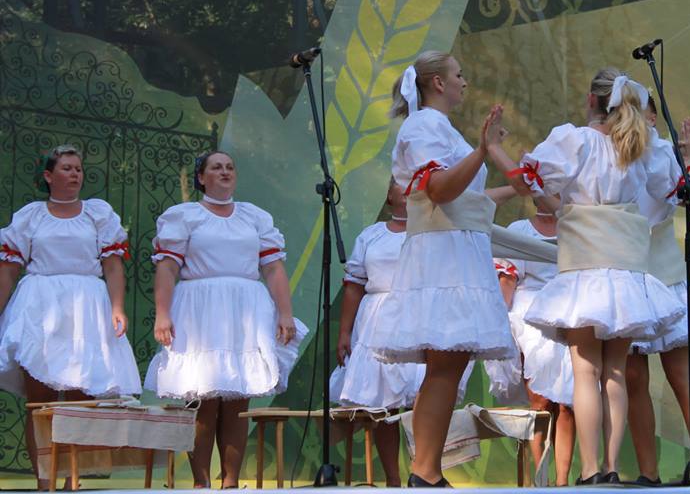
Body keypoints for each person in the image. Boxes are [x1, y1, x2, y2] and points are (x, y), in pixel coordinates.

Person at [485, 68, 690, 484]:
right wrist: (689, 159)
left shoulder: (575, 140)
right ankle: (612, 467)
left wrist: (495, 149)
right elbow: (677, 191)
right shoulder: (637, 145)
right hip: (624, 274)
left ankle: (590, 468)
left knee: (585, 371)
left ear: (590, 100)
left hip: (585, 271)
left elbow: (528, 184)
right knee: (614, 372)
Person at [367, 51, 515, 488]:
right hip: (443, 254)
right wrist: (482, 150)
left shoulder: (439, 127)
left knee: (450, 363)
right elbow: (440, 190)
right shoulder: (424, 126)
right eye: (459, 74)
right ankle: (424, 471)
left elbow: (466, 197)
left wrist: (511, 179)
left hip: (457, 248)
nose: (464, 82)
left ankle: (428, 469)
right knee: (445, 362)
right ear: (437, 82)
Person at [145, 151, 306, 489]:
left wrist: (285, 312)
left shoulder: (254, 217)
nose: (225, 172)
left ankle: (231, 483)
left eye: (230, 167)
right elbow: (168, 268)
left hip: (244, 311)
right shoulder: (185, 216)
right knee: (203, 399)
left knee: (237, 398)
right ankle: (201, 482)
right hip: (200, 311)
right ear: (201, 177)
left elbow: (273, 268)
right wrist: (163, 313)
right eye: (216, 167)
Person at [0, 145, 141, 488]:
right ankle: (44, 481)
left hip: (85, 309)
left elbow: (113, 266)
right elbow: (9, 269)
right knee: (41, 404)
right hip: (40, 307)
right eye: (67, 168)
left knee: (80, 401)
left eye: (78, 168)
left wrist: (117, 307)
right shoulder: (31, 216)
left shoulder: (97, 214)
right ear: (49, 176)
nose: (75, 173)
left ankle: (70, 482)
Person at [626, 98, 690, 485]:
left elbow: (686, 197)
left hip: (665, 273)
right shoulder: (612, 150)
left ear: (653, 117)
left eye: (638, 110)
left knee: (681, 374)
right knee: (632, 377)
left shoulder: (662, 152)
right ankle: (648, 474)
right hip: (626, 274)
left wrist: (689, 159)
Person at [329, 179, 425, 487]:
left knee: (422, 399)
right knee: (384, 404)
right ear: (389, 194)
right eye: (401, 184)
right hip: (375, 322)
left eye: (415, 183)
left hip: (417, 316)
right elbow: (354, 285)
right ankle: (393, 480)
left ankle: (423, 473)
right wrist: (344, 332)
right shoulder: (371, 235)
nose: (408, 189)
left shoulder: (432, 233)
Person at [487, 194, 577, 486]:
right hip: (530, 315)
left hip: (568, 310)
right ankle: (541, 479)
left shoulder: (573, 228)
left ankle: (562, 481)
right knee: (539, 402)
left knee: (568, 403)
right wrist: (499, 322)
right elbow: (508, 280)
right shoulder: (519, 230)